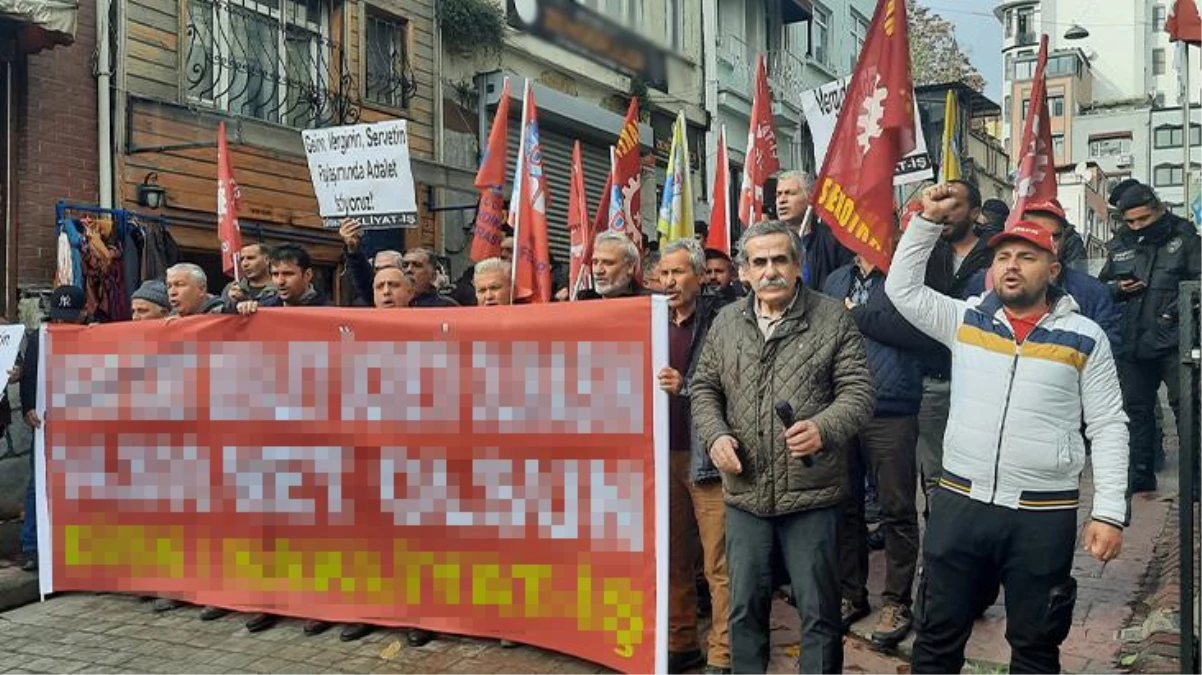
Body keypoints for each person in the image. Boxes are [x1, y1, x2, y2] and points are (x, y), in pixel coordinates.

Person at [887, 183, 1129, 674]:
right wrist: (925, 221)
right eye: (1002, 258)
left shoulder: (1085, 338)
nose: (1011, 265)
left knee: (1036, 646)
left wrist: (1108, 511)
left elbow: (1107, 424)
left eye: (1027, 256)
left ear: (1054, 268)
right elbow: (902, 290)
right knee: (936, 638)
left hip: (1043, 513)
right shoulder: (967, 321)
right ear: (990, 270)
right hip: (959, 503)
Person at [690, 220, 875, 674]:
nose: (770, 270)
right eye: (759, 262)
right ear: (744, 272)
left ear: (798, 265)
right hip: (745, 491)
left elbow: (859, 392)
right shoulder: (727, 320)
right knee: (745, 607)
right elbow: (704, 388)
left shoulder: (832, 316)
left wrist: (824, 426)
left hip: (812, 491)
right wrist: (715, 436)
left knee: (819, 612)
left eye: (780, 260)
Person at [823, 246, 927, 647]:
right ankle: (852, 594)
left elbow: (917, 333)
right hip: (839, 407)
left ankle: (896, 601)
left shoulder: (906, 277)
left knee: (896, 509)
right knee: (844, 506)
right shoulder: (835, 280)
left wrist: (858, 315)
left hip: (892, 406)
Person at [655, 238, 732, 675]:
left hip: (705, 458)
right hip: (661, 453)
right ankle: (680, 641)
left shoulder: (722, 319)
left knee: (717, 561)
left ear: (700, 277)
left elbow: (730, 382)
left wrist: (684, 384)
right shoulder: (649, 320)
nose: (669, 281)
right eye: (663, 273)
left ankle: (723, 651)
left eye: (678, 272)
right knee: (672, 557)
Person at [1099, 182, 1202, 493]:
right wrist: (1117, 290)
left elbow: (1199, 283)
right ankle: (1140, 474)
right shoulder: (1120, 244)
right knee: (1134, 410)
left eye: (1143, 219)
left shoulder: (1186, 239)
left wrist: (1175, 312)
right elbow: (1102, 288)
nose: (1137, 226)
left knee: (1187, 408)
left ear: (1158, 209)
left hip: (1176, 340)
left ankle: (1195, 480)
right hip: (1132, 340)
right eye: (1130, 221)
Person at [913, 180, 993, 509]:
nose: (944, 213)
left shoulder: (996, 255)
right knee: (934, 475)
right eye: (939, 204)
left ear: (975, 213)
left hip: (979, 384)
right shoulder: (926, 253)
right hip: (935, 380)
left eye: (953, 205)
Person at [964, 199, 1120, 346]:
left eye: (1055, 236)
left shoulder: (1094, 293)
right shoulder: (983, 282)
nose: (1046, 242)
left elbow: (1109, 354)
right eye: (1035, 233)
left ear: (1066, 238)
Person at [19, 286, 90, 572]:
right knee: (39, 483)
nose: (63, 325)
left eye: (70, 319)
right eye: (59, 318)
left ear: (84, 313)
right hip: (47, 422)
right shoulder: (39, 338)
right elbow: (29, 376)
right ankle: (32, 547)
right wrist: (27, 408)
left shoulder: (96, 337)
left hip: (85, 425)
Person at [774, 170, 854, 291]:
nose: (782, 200)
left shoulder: (833, 240)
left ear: (810, 197)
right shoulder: (772, 242)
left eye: (790, 193)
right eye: (778, 194)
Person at [236, 244, 332, 313]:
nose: (280, 281)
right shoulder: (263, 308)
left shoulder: (329, 312)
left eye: (288, 274)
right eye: (275, 274)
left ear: (307, 275)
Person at [577, 231, 644, 300]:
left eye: (608, 263)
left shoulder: (651, 304)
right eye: (595, 262)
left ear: (630, 267)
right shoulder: (581, 301)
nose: (598, 271)